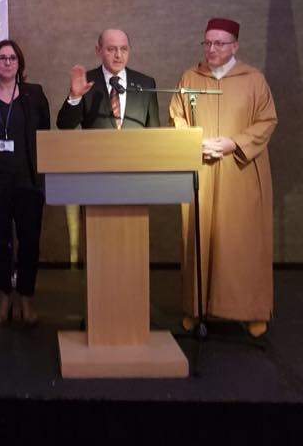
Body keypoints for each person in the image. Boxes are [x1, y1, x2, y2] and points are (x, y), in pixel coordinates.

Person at [169, 18, 277, 338]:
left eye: (219, 43)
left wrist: (233, 143)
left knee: (242, 242)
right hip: (201, 168)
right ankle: (196, 307)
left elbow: (267, 121)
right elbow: (176, 116)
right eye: (207, 43)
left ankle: (250, 311)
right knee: (200, 237)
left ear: (235, 46)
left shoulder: (253, 79)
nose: (211, 49)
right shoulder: (190, 77)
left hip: (239, 170)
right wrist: (195, 142)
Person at [0, 40, 50, 326]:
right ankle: (4, 295)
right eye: (1, 57)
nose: (7, 62)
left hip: (28, 182)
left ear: (19, 63)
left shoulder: (34, 94)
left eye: (12, 57)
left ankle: (26, 296)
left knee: (29, 242)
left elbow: (44, 133)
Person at [56, 28, 160, 130]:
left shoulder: (146, 83)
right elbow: (64, 125)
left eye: (124, 49)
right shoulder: (86, 82)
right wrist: (75, 97)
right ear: (98, 50)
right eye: (111, 49)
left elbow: (154, 129)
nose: (118, 55)